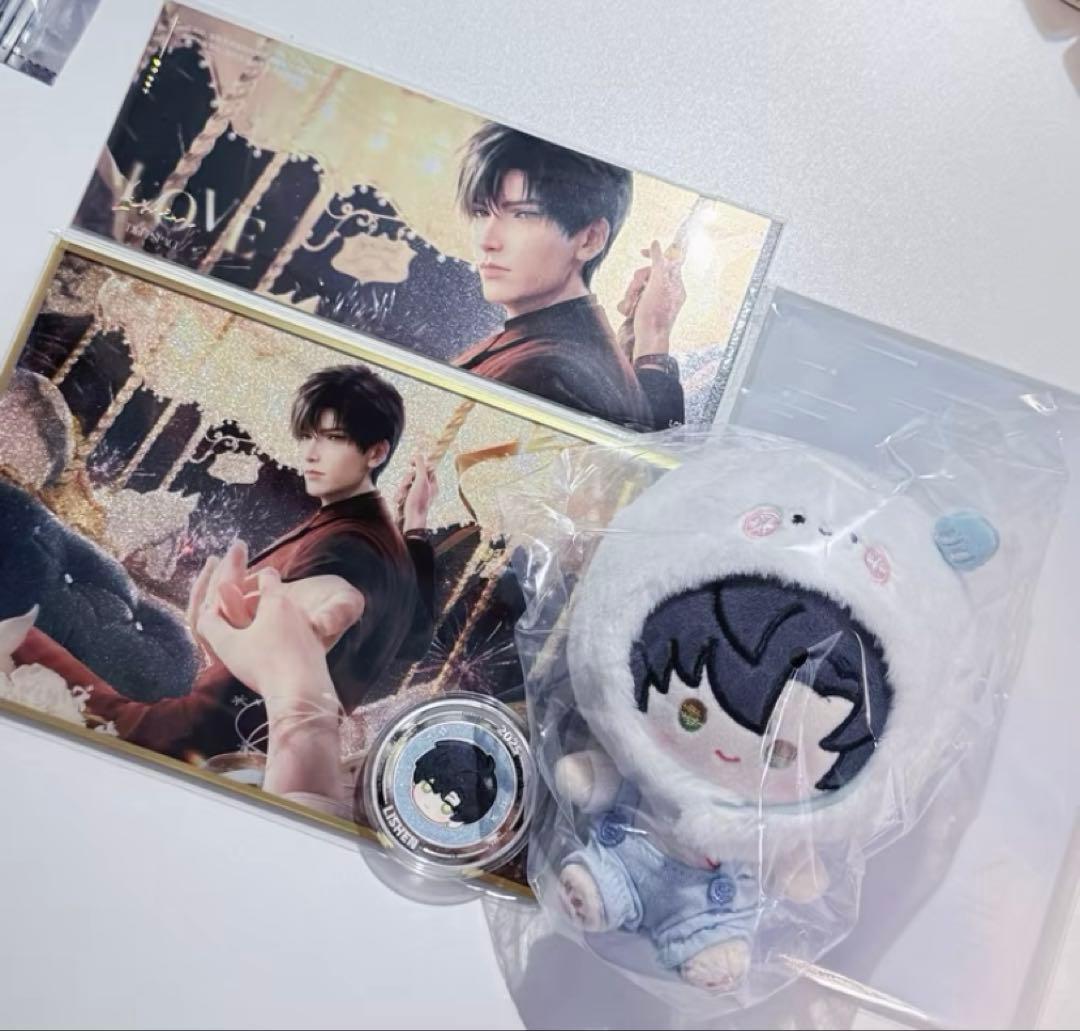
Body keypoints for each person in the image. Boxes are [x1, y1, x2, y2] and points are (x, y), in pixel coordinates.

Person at [12, 364, 438, 762]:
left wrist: (213, 626)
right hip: (240, 738)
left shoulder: (349, 545)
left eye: (333, 438)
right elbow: (415, 640)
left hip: (196, 734)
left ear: (376, 453)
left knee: (19, 636)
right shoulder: (380, 541)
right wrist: (415, 526)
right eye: (308, 436)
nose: (311, 453)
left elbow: (269, 655)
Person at [452, 123, 687, 431]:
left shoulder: (542, 371)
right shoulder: (561, 350)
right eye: (481, 212)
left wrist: (653, 338)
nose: (487, 240)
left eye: (523, 214)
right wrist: (650, 341)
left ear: (590, 238)